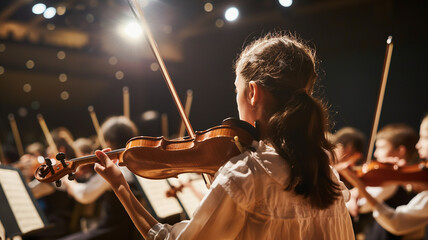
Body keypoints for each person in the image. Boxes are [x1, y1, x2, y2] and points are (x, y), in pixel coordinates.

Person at [93, 33, 354, 239]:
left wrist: (119, 186)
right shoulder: (325, 171)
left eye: (237, 91)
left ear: (252, 92)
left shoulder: (249, 174)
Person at [340, 114, 428, 239]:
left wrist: (359, 188)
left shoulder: (393, 180)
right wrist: (355, 191)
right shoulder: (401, 178)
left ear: (400, 151)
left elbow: (364, 206)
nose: (375, 153)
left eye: (425, 137)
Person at [59, 116, 141, 240]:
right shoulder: (139, 164)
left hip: (113, 233)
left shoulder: (115, 167)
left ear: (108, 142)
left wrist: (69, 182)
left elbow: (85, 195)